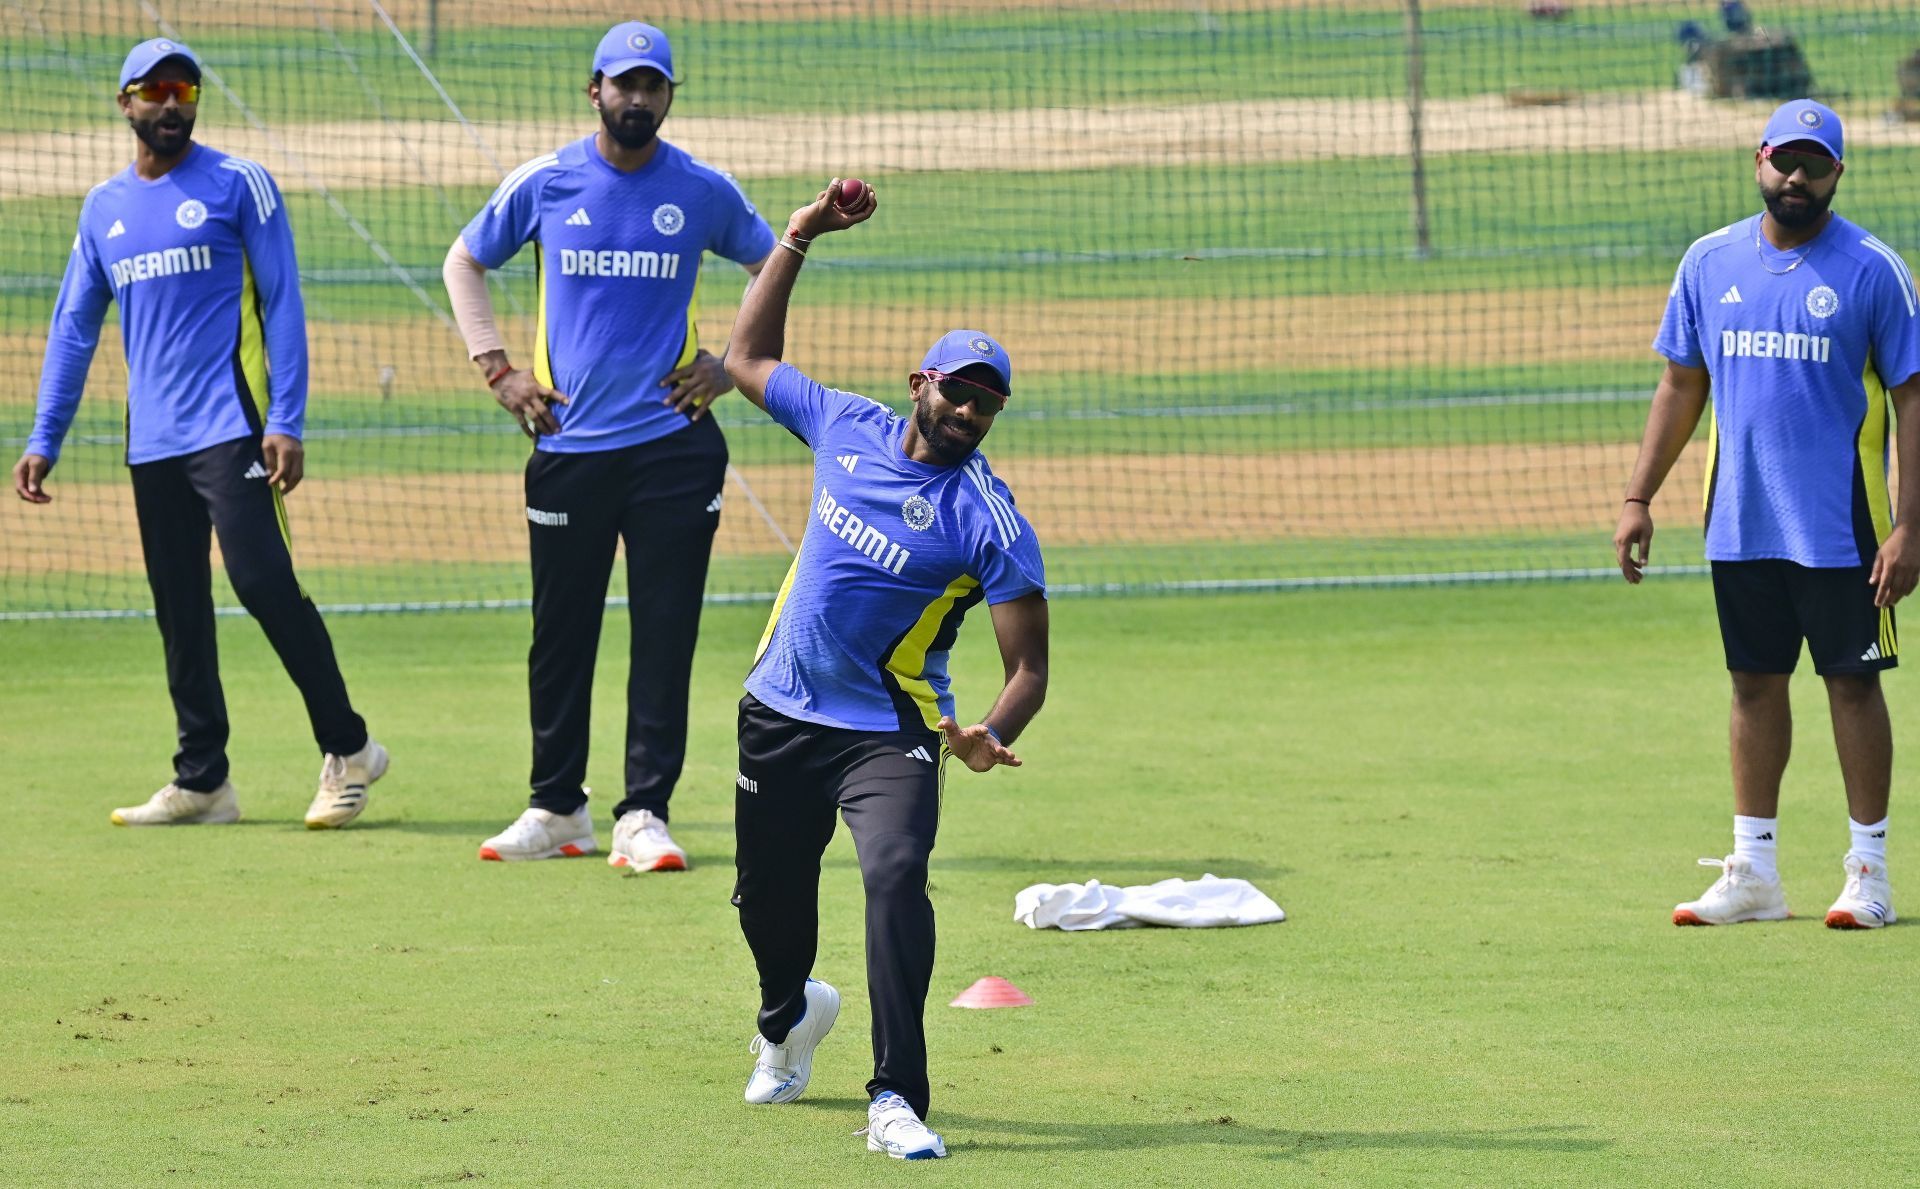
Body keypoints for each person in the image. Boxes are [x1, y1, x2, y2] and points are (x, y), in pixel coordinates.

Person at [722, 179, 1050, 1160]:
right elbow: (746, 358)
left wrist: (993, 733)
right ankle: (789, 1014)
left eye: (988, 405)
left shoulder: (987, 519)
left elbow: (1029, 664)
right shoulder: (844, 425)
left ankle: (897, 1097)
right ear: (921, 382)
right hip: (777, 710)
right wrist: (796, 236)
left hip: (891, 733)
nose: (969, 413)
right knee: (764, 904)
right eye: (958, 391)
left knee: (897, 880)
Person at [11, 39, 388, 830]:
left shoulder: (238, 184)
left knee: (261, 584)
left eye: (184, 88)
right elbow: (75, 328)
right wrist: (46, 435)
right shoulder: (102, 209)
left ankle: (350, 749)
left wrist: (286, 417)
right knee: (179, 606)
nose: (173, 103)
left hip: (233, 427)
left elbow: (282, 301)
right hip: (151, 439)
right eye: (156, 90)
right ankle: (203, 778)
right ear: (126, 104)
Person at [442, 21, 773, 870]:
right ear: (594, 90)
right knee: (560, 635)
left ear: (669, 95)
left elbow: (775, 264)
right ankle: (557, 808)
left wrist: (729, 367)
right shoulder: (548, 181)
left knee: (665, 633)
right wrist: (498, 370)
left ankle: (643, 814)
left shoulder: (700, 189)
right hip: (568, 445)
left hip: (674, 448)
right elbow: (463, 261)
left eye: (652, 85)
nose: (636, 98)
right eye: (622, 84)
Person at [1614, 99, 1920, 929]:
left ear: (1837, 176)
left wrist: (1911, 525)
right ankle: (1754, 870)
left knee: (1853, 685)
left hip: (1844, 528)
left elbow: (1912, 396)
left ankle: (1870, 870)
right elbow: (1682, 385)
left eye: (1814, 164)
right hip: (1741, 521)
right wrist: (1639, 496)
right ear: (1759, 160)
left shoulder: (1873, 270)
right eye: (1785, 159)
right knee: (1753, 684)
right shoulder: (1708, 263)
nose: (1797, 176)